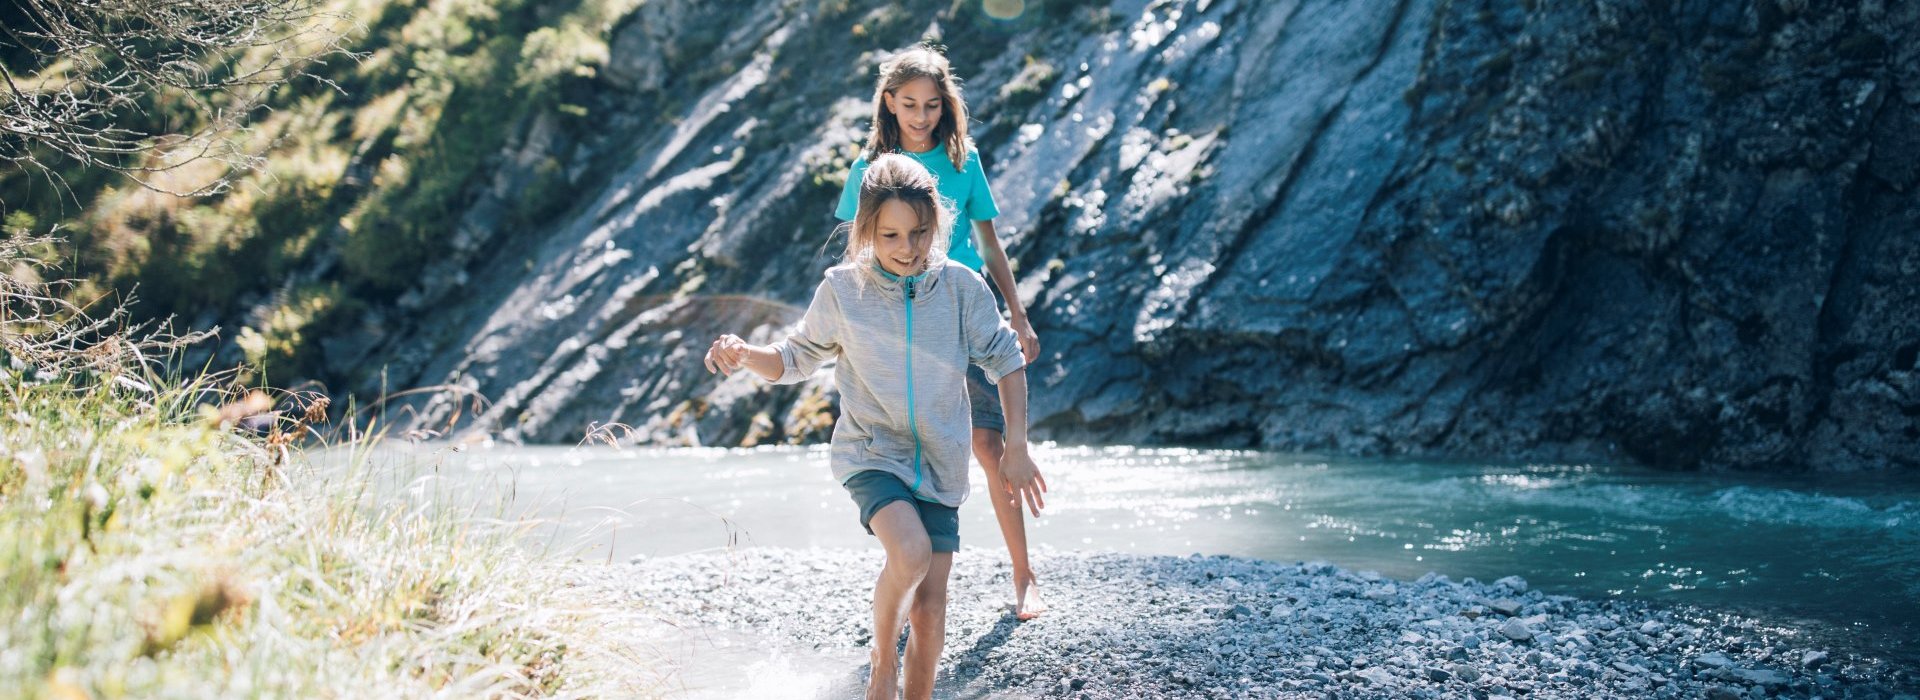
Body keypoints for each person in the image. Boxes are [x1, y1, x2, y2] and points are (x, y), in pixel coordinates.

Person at [705, 154, 1045, 700]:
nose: (906, 248)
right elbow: (793, 359)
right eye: (889, 234)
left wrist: (1017, 446)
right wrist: (747, 354)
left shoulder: (960, 287)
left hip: (942, 463)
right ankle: (882, 663)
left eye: (918, 233)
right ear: (866, 229)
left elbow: (1006, 360)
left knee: (932, 612)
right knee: (908, 553)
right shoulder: (843, 290)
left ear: (936, 226)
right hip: (871, 454)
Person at [836, 45, 1050, 620]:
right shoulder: (870, 168)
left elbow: (987, 243)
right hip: (896, 321)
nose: (922, 115)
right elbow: (855, 251)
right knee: (907, 446)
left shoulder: (963, 161)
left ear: (945, 105)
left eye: (932, 105)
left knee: (989, 444)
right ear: (889, 103)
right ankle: (910, 579)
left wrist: (1018, 315)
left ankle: (1024, 575)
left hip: (962, 309)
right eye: (909, 104)